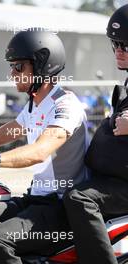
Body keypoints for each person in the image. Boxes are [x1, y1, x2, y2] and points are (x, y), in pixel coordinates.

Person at [0, 29, 89, 264]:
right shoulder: (34, 106)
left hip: (60, 205)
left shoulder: (65, 106)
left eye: (18, 67)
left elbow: (39, 151)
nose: (12, 73)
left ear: (41, 67)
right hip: (35, 198)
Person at [63, 4, 128, 264]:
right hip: (113, 178)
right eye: (115, 44)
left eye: (126, 44)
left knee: (79, 198)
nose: (119, 51)